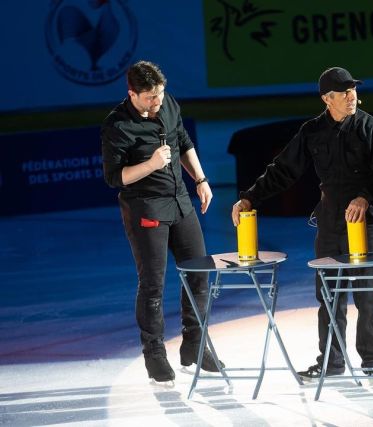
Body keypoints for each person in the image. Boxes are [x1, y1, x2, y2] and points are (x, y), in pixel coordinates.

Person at [231, 67, 373, 379]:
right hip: (330, 223)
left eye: (353, 90)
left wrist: (366, 197)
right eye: (344, 92)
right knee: (329, 294)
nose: (352, 97)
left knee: (367, 292)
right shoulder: (312, 131)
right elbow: (283, 170)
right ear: (327, 98)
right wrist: (249, 198)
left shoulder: (370, 128)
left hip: (365, 223)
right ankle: (331, 362)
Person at [101, 60, 222, 382]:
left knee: (199, 274)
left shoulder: (167, 103)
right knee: (153, 284)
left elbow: (182, 140)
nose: (158, 102)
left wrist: (200, 179)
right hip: (146, 207)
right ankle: (154, 353)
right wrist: (152, 164)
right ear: (132, 94)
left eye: (160, 95)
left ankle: (195, 345)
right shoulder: (117, 126)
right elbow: (116, 178)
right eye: (150, 98)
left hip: (180, 200)